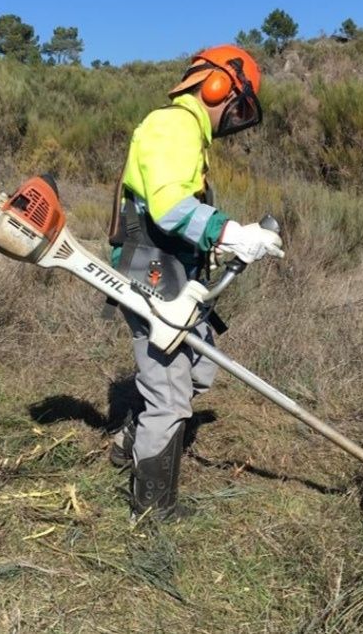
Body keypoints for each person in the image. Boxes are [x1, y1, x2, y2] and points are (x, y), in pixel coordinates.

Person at [106, 45, 284, 521]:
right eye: (238, 105)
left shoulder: (189, 135)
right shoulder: (173, 125)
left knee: (200, 368)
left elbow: (178, 214)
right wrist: (231, 231)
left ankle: (132, 438)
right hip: (149, 267)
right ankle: (152, 507)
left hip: (173, 268)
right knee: (170, 392)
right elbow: (167, 208)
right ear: (218, 86)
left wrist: (222, 245)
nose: (236, 117)